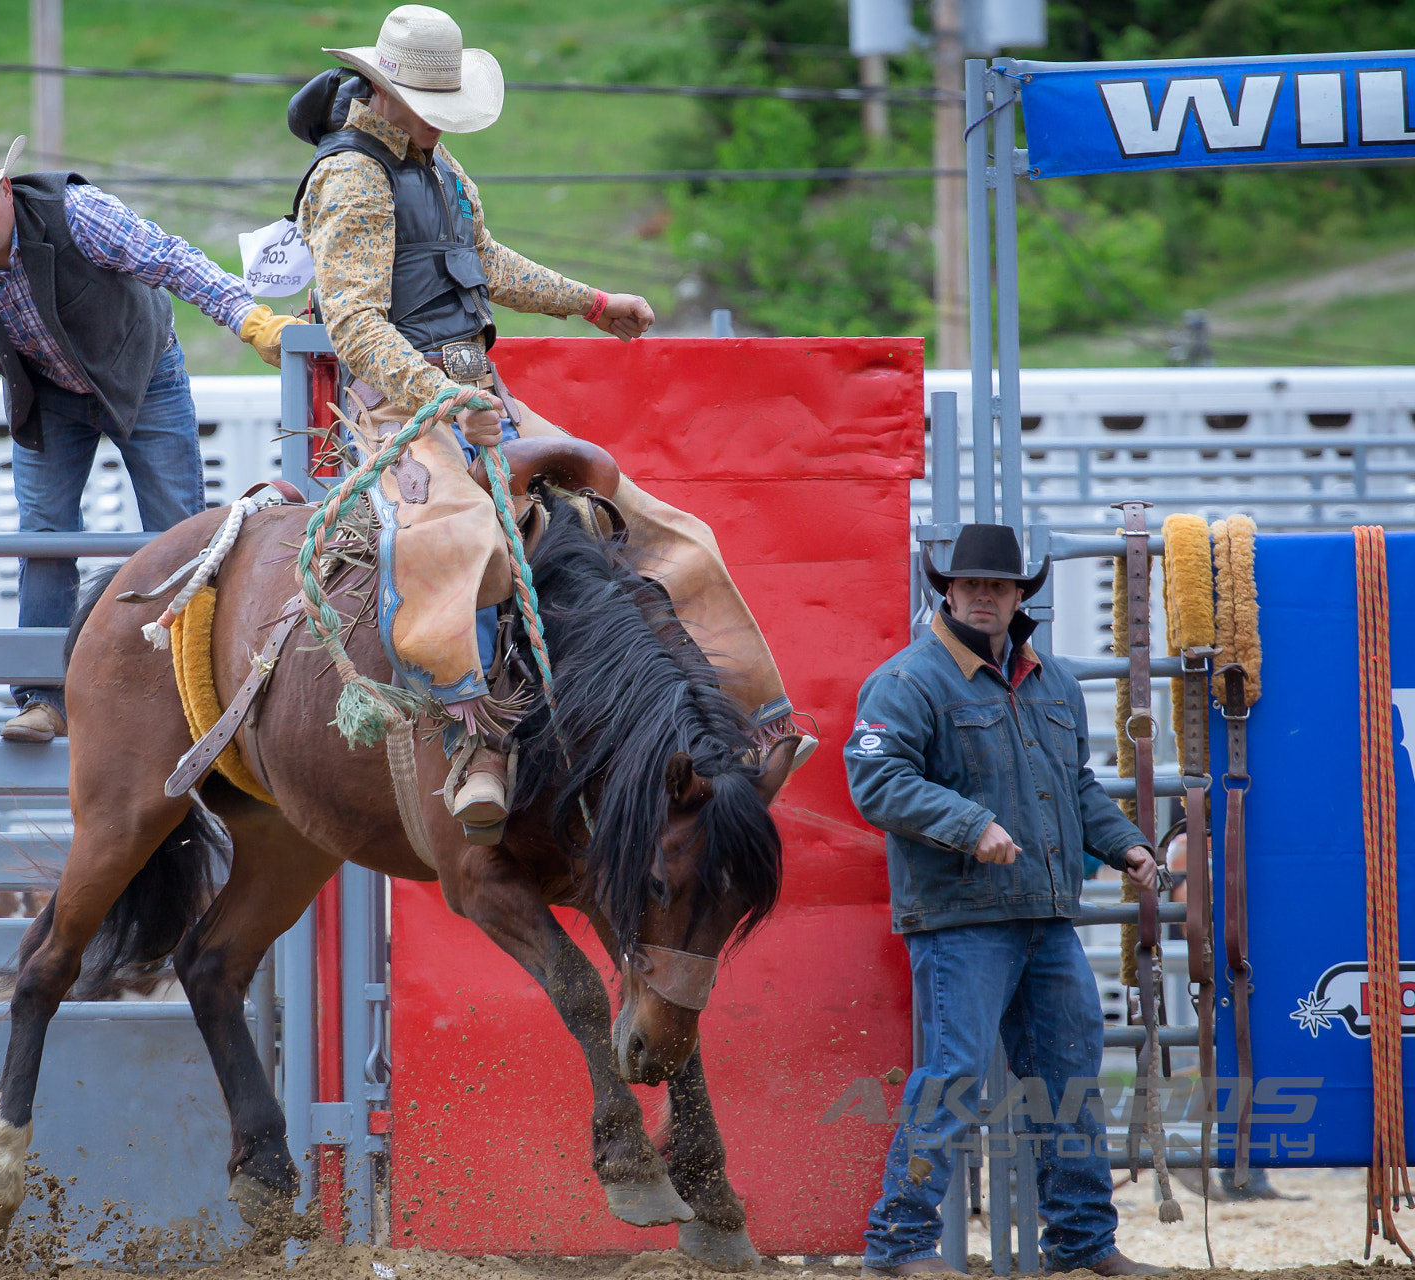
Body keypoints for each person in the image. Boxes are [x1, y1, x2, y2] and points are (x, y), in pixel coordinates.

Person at [292, 6, 804, 836]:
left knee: (660, 526)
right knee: (464, 542)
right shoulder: (350, 178)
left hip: (478, 396)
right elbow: (352, 319)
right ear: (385, 93)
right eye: (429, 104)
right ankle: (474, 742)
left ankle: (757, 719)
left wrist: (590, 303)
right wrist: (439, 395)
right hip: (398, 406)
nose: (437, 121)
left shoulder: (437, 164)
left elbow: (486, 261)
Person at [0, 122, 302, 745]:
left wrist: (245, 315)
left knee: (180, 529)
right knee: (44, 535)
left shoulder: (77, 213)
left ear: (7, 189)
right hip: (50, 394)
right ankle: (41, 697)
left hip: (143, 372)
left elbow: (171, 259)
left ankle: (196, 683)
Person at [844, 523, 1164, 1278]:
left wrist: (1126, 844)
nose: (984, 596)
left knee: (1070, 1080)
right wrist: (971, 823)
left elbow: (1078, 786)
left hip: (1043, 916)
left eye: (999, 585)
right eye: (970, 585)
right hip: (961, 919)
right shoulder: (907, 680)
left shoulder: (1047, 678)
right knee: (954, 1076)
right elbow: (877, 783)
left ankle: (1082, 1245)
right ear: (946, 591)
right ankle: (898, 1247)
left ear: (1021, 594)